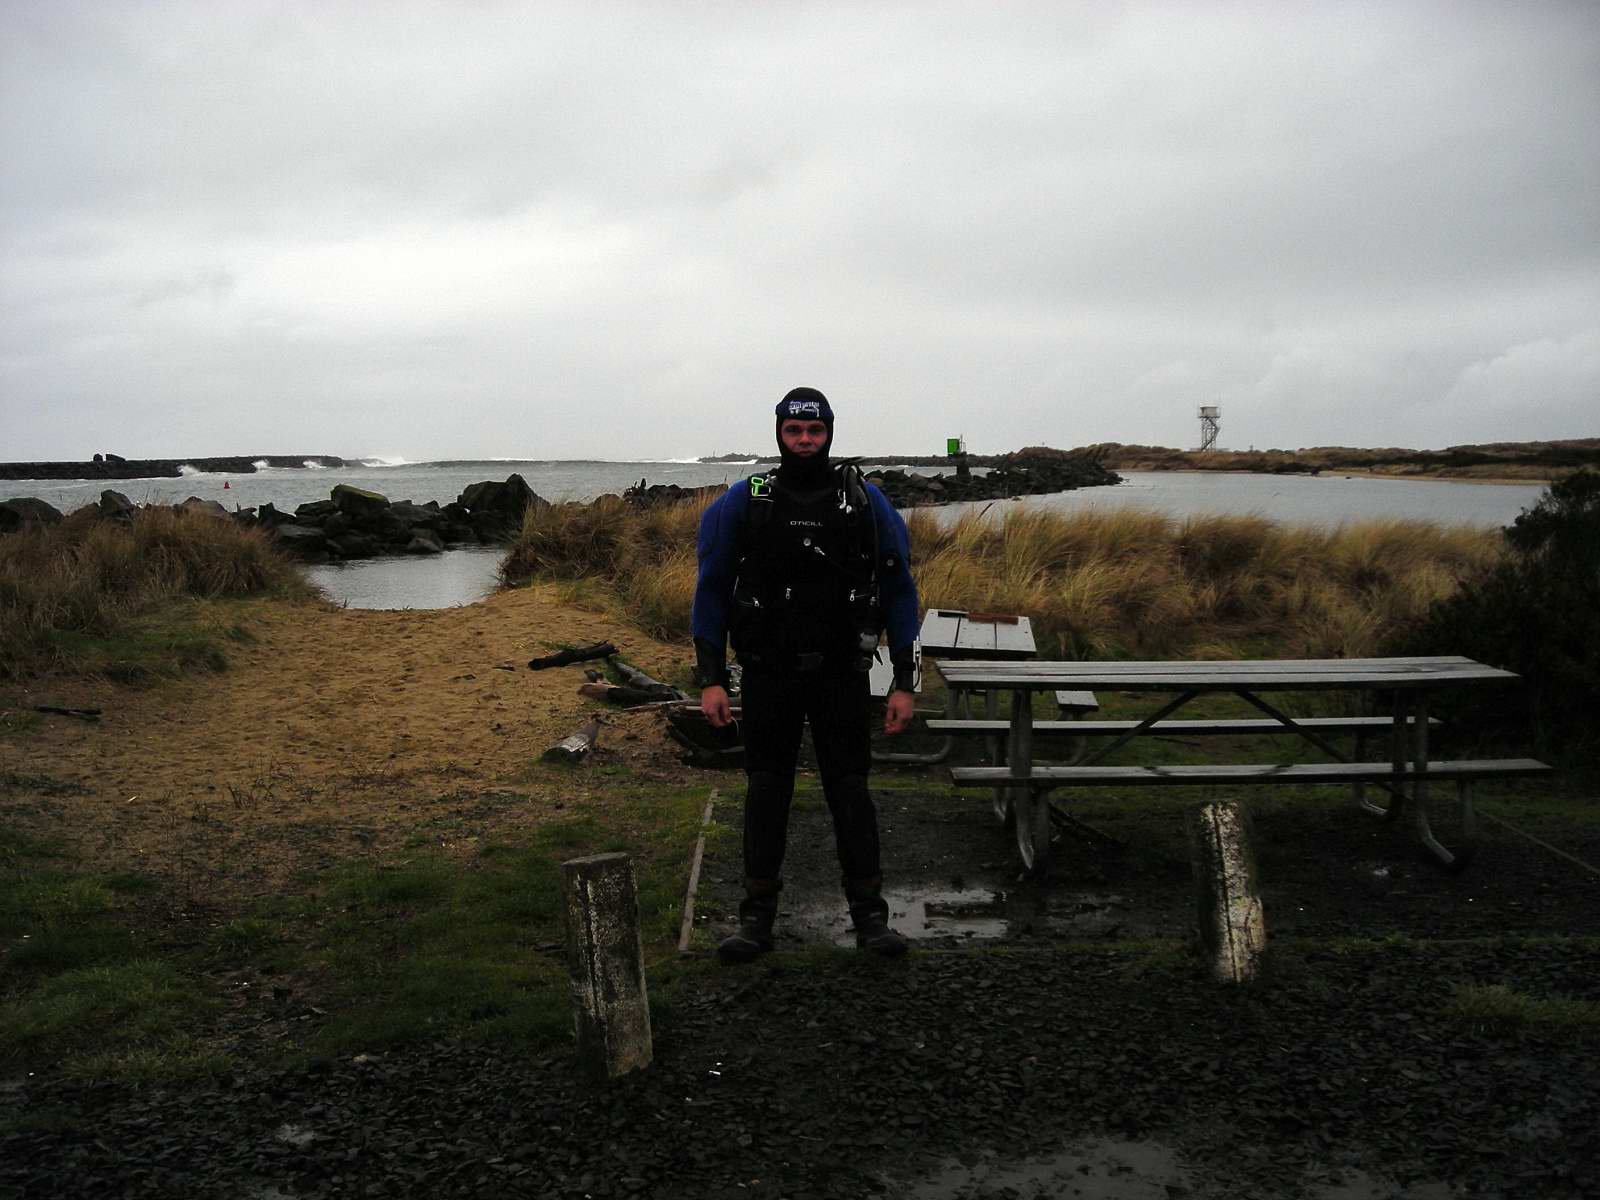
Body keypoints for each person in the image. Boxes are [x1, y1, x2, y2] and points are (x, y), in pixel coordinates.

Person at [692, 386, 921, 962]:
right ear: (778, 433)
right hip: (769, 676)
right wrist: (712, 677)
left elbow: (899, 591)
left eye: (814, 432)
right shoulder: (745, 502)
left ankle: (871, 919)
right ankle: (756, 921)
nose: (804, 442)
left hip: (843, 676)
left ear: (830, 433)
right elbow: (711, 591)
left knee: (851, 793)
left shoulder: (867, 504)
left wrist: (904, 681)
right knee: (767, 793)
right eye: (794, 432)